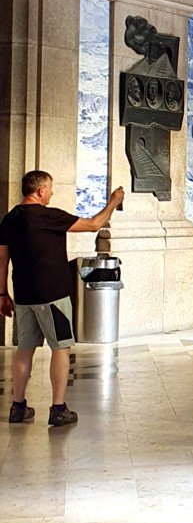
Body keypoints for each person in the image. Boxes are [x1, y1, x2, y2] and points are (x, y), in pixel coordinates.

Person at [0, 170, 125, 427]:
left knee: (25, 349)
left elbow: (2, 261)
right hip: (52, 295)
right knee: (60, 348)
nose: (52, 192)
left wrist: (2, 294)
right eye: (50, 188)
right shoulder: (48, 216)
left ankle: (17, 407)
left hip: (23, 296)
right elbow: (93, 224)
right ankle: (58, 408)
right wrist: (113, 202)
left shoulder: (10, 219)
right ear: (40, 191)